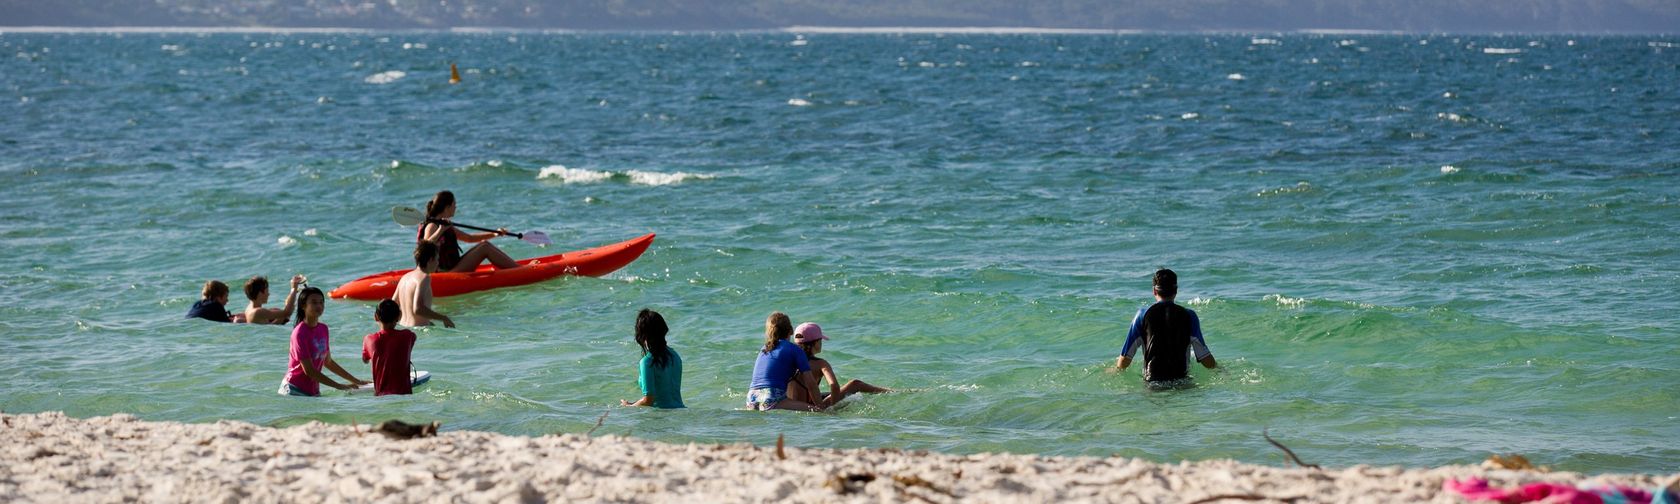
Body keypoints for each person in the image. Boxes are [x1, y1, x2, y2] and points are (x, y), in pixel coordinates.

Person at [1112, 269, 1217, 384]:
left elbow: (1126, 359)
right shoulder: (1189, 316)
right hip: (1182, 382)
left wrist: (1114, 370)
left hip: (1153, 384)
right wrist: (1219, 369)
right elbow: (1204, 358)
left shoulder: (1142, 316)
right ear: (1176, 291)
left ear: (1154, 291)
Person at [280, 287, 368, 396]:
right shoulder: (299, 333)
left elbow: (328, 362)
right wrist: (339, 386)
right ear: (303, 306)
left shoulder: (323, 329)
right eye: (314, 302)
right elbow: (309, 371)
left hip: (313, 391)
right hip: (294, 390)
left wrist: (356, 381)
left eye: (321, 302)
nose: (319, 306)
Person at [786, 322, 890, 408]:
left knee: (827, 394)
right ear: (816, 342)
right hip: (811, 407)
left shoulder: (787, 359)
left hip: (791, 405)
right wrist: (832, 407)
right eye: (820, 340)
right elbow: (834, 386)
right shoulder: (821, 363)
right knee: (855, 384)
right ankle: (892, 392)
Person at [417, 190, 521, 273]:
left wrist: (495, 234)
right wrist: (440, 230)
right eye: (454, 204)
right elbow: (425, 247)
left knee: (484, 244)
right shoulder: (432, 226)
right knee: (485, 248)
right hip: (445, 272)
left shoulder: (444, 224)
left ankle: (516, 267)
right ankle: (519, 270)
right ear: (447, 207)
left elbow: (468, 238)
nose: (456, 207)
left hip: (453, 267)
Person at [745, 312, 823, 412]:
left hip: (751, 398)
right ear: (791, 330)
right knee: (815, 411)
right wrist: (821, 407)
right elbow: (811, 384)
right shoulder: (795, 350)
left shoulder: (764, 349)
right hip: (772, 397)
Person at [620, 309, 685, 408]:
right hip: (679, 412)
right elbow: (664, 396)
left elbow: (648, 400)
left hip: (661, 418)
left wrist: (628, 406)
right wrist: (634, 403)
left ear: (642, 335)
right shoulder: (675, 356)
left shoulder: (647, 362)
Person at [362, 299, 418, 396]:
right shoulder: (408, 336)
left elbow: (365, 360)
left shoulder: (369, 339)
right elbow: (412, 339)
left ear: (376, 317)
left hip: (381, 397)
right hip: (405, 396)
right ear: (399, 316)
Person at [394, 241, 456, 328]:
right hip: (418, 332)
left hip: (403, 328)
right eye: (437, 259)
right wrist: (444, 318)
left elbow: (393, 306)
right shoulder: (424, 277)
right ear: (430, 260)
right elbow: (418, 309)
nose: (438, 263)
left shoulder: (404, 277)